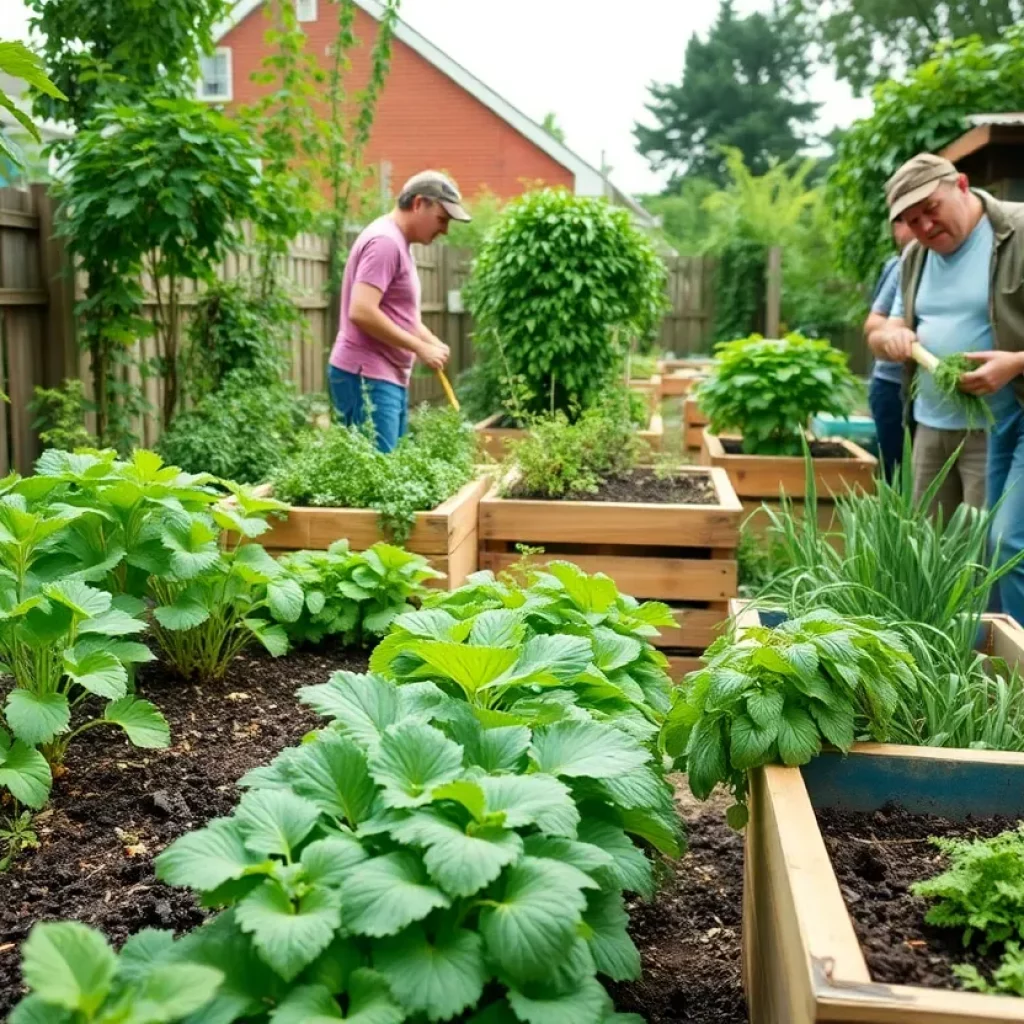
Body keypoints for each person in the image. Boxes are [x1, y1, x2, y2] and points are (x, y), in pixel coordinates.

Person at [869, 152, 1024, 622]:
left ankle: (1007, 659)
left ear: (960, 183)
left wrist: (1015, 363)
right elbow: (882, 327)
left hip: (1001, 419)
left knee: (999, 546)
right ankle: (951, 657)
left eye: (930, 209)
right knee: (938, 550)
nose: (925, 227)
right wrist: (892, 337)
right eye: (911, 221)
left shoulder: (1016, 232)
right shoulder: (914, 256)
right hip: (934, 422)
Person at [328, 170, 471, 452]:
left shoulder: (398, 243)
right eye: (442, 219)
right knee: (374, 480)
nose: (445, 230)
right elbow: (362, 311)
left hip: (384, 376)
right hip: (366, 376)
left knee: (389, 470)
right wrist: (419, 347)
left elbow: (398, 314)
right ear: (419, 203)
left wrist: (429, 341)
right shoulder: (385, 243)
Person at [863, 216, 915, 481]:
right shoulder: (900, 266)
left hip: (931, 395)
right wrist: (896, 336)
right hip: (892, 385)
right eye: (910, 220)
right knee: (896, 476)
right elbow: (873, 324)